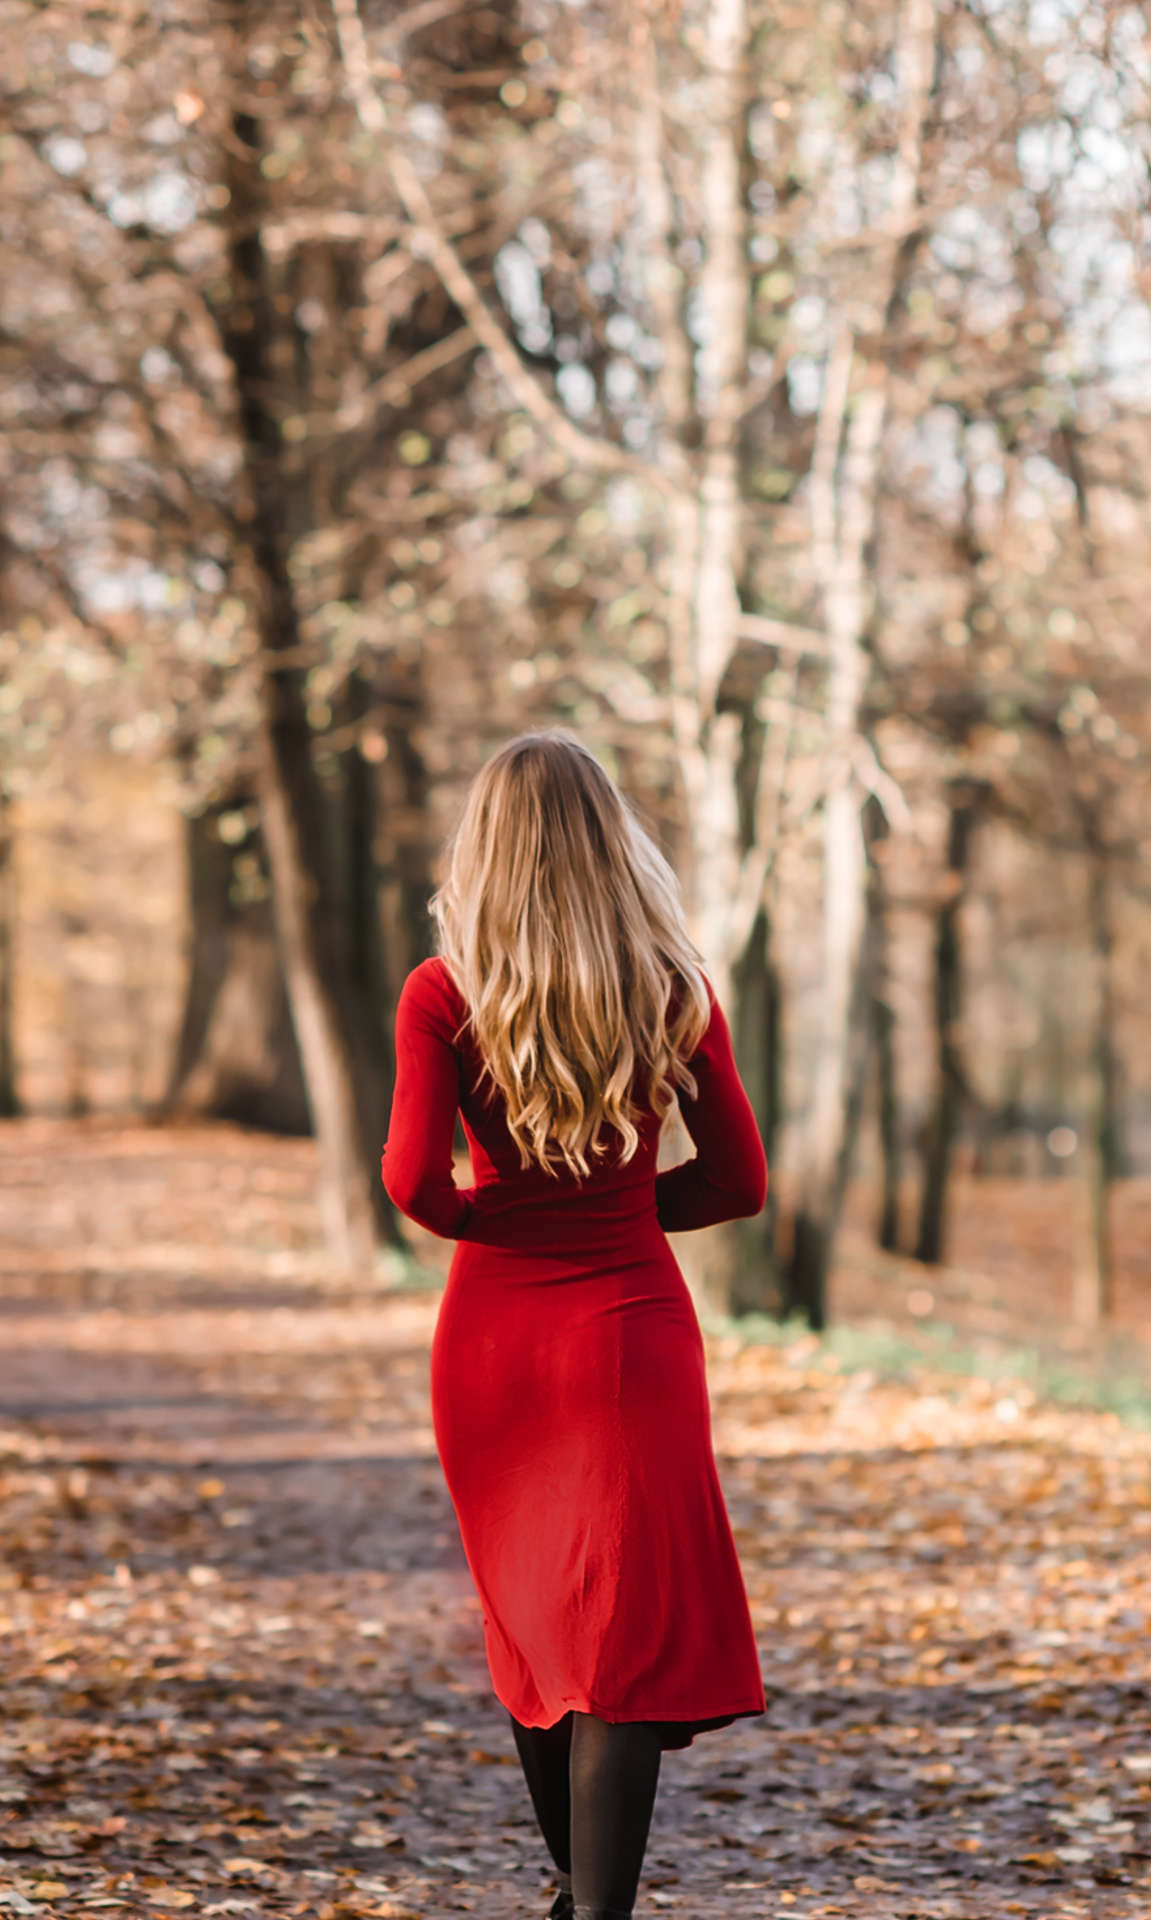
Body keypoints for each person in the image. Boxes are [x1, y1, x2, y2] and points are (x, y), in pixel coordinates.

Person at [382, 732, 769, 1920]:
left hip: (496, 1336)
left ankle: (578, 1891)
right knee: (617, 1626)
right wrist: (618, 1210)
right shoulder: (670, 987)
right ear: (613, 845)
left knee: (540, 1613)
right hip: (630, 1327)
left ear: (484, 852)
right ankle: (587, 1900)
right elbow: (739, 1181)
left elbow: (410, 1184)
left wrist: (504, 1214)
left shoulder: (446, 996)